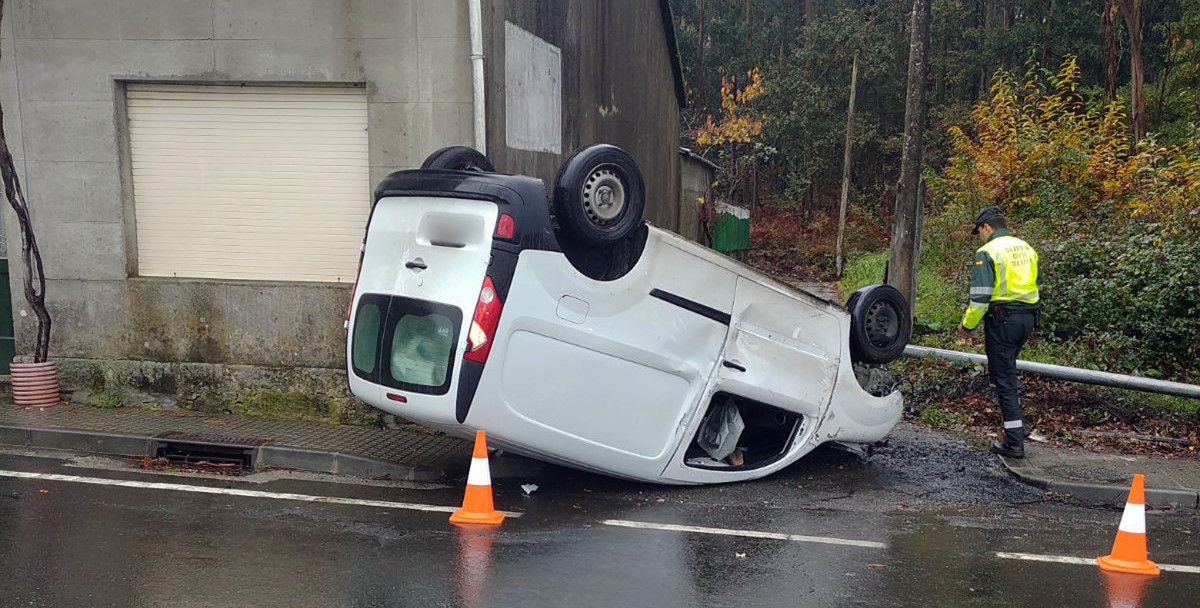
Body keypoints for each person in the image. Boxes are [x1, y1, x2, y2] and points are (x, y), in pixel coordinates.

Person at [958, 207, 1040, 458]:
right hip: (1028, 318)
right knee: (1009, 372)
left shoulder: (987, 252)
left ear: (986, 227)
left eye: (979, 232)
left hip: (1003, 321)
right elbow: (1038, 283)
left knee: (1004, 379)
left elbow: (981, 298)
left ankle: (1014, 442)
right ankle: (1018, 427)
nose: (980, 237)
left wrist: (967, 326)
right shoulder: (1026, 248)